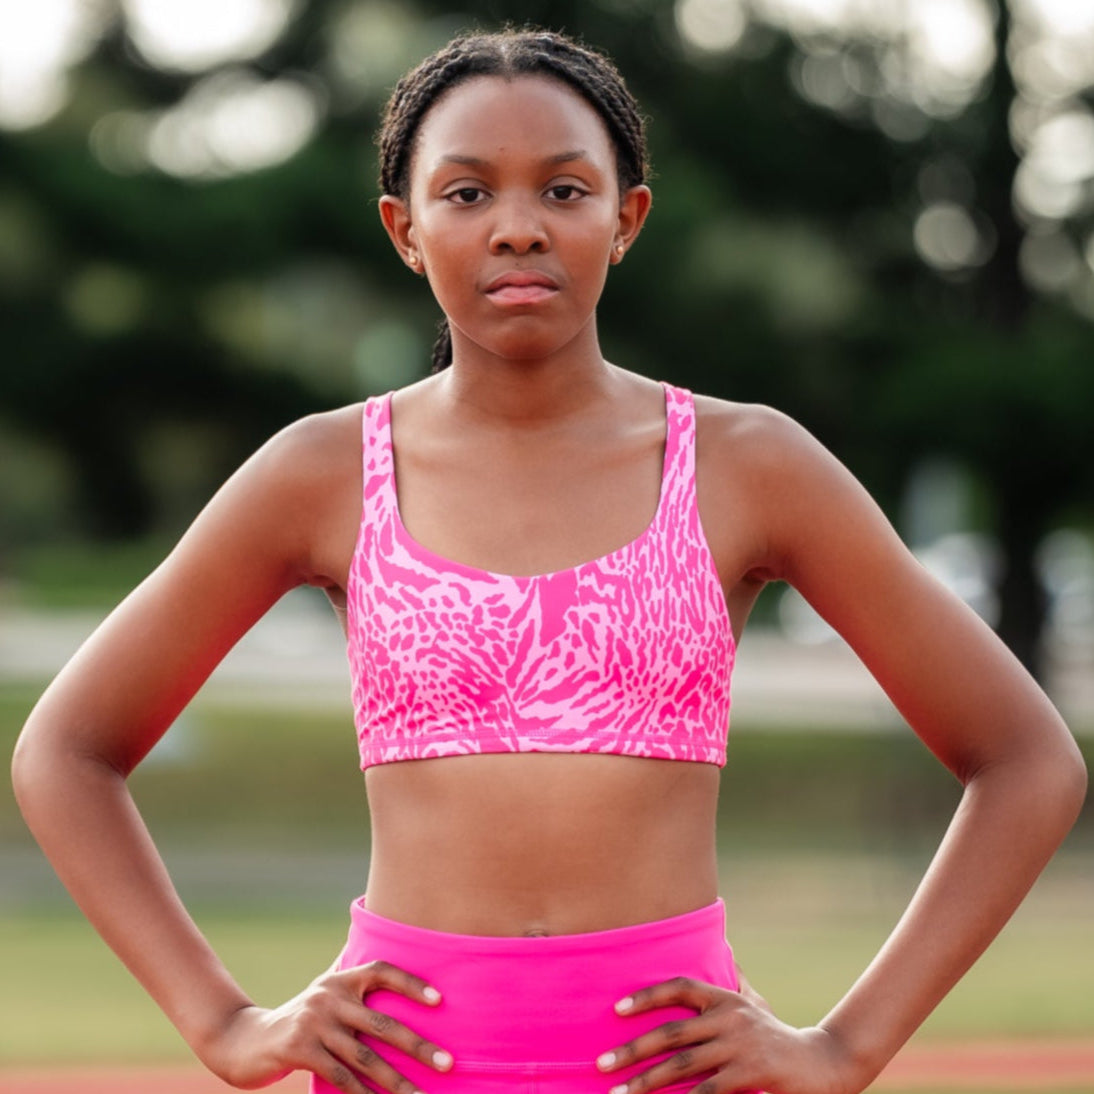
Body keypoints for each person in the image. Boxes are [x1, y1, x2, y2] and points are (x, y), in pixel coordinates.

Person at [11, 26, 1086, 1094]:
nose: (516, 228)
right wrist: (227, 1024)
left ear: (626, 218)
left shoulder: (746, 464)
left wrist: (844, 1047)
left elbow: (1024, 760)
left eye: (563, 191)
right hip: (402, 1072)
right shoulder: (321, 470)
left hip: (674, 1076)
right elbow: (66, 750)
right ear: (403, 227)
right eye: (467, 193)